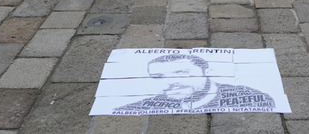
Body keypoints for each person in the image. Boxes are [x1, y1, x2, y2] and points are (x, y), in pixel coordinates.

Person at [113, 54, 275, 114]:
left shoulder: (252, 97)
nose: (171, 82)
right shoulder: (141, 106)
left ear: (207, 72)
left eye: (181, 73)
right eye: (158, 77)